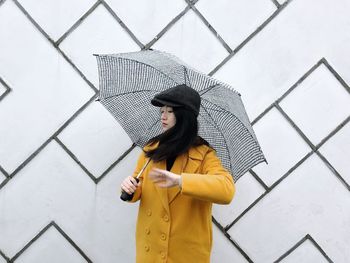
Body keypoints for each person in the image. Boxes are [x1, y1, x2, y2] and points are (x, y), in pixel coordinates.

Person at [121, 84, 235, 263]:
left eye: (170, 111)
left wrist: (181, 181)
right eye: (162, 111)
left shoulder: (204, 154)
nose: (163, 116)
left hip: (185, 255)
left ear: (184, 116)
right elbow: (139, 187)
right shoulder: (152, 149)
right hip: (150, 252)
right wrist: (130, 186)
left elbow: (226, 190)